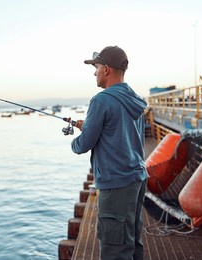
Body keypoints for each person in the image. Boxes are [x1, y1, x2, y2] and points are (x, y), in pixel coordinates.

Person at [71, 46, 148, 260]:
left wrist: (74, 142)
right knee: (131, 242)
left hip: (116, 184)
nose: (93, 73)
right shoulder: (133, 98)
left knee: (115, 250)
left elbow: (84, 144)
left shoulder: (101, 100)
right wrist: (89, 125)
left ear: (106, 69)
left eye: (95, 68)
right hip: (137, 178)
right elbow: (119, 130)